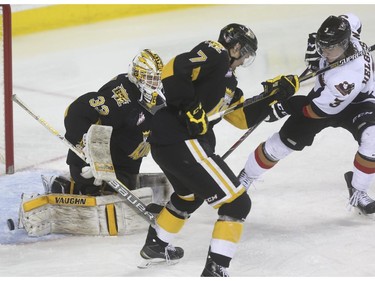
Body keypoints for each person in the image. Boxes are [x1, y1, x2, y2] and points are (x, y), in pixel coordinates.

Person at [138, 23, 299, 276]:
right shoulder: (215, 53)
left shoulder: (228, 82)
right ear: (235, 47)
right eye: (244, 52)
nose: (244, 59)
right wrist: (190, 108)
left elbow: (239, 118)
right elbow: (172, 69)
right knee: (237, 203)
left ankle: (156, 245)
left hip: (170, 144)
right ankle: (216, 270)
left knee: (189, 196)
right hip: (181, 141)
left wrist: (275, 95)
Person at [238, 14, 375, 216]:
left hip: (357, 104)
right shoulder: (349, 31)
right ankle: (245, 177)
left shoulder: (346, 78)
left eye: (330, 48)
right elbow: (353, 20)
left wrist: (287, 106)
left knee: (372, 139)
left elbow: (315, 111)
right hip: (325, 96)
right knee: (282, 144)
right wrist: (314, 49)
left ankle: (359, 190)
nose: (325, 51)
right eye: (322, 45)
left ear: (345, 44)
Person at [44, 49, 168, 196]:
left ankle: (82, 187)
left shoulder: (160, 98)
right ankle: (67, 187)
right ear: (137, 76)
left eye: (157, 79)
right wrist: (87, 150)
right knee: (89, 186)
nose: (155, 85)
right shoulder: (121, 97)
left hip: (124, 164)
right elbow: (77, 111)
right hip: (94, 163)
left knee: (122, 188)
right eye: (150, 78)